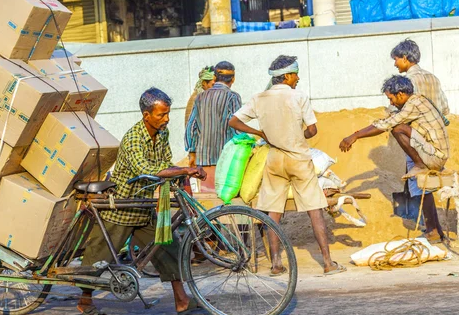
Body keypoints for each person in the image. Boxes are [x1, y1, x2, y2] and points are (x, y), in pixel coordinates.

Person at [77, 88, 207, 315]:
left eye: (167, 114)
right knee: (99, 257)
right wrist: (185, 169)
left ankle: (181, 300)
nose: (166, 119)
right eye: (161, 115)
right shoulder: (133, 138)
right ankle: (84, 300)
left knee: (169, 248)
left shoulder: (162, 132)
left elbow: (164, 161)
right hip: (123, 208)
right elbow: (147, 171)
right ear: (146, 115)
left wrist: (182, 173)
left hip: (144, 206)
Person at [228, 55, 345, 276]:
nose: (298, 78)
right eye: (296, 74)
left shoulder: (259, 98)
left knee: (274, 211)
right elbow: (312, 131)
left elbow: (233, 121)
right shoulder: (298, 96)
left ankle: (276, 264)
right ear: (288, 76)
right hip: (299, 159)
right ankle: (328, 263)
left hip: (274, 159)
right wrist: (298, 135)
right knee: (315, 210)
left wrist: (259, 132)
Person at [339, 75, 449, 243]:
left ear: (401, 94)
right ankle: (435, 231)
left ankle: (420, 165)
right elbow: (385, 120)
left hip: (435, 156)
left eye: (391, 98)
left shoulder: (414, 103)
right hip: (435, 152)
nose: (391, 103)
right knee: (424, 189)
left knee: (397, 129)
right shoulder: (416, 101)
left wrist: (354, 136)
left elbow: (387, 125)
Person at [391, 39, 450, 235]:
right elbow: (445, 108)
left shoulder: (407, 83)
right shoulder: (433, 78)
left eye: (397, 59)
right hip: (437, 139)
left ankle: (432, 230)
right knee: (428, 183)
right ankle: (436, 229)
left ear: (406, 59)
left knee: (420, 184)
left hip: (417, 138)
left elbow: (397, 114)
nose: (395, 63)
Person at [185, 61, 241, 192]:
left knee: (208, 203)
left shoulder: (200, 97)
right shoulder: (232, 97)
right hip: (225, 159)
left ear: (214, 78)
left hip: (203, 160)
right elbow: (236, 128)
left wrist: (192, 151)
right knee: (224, 201)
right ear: (233, 79)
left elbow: (191, 127)